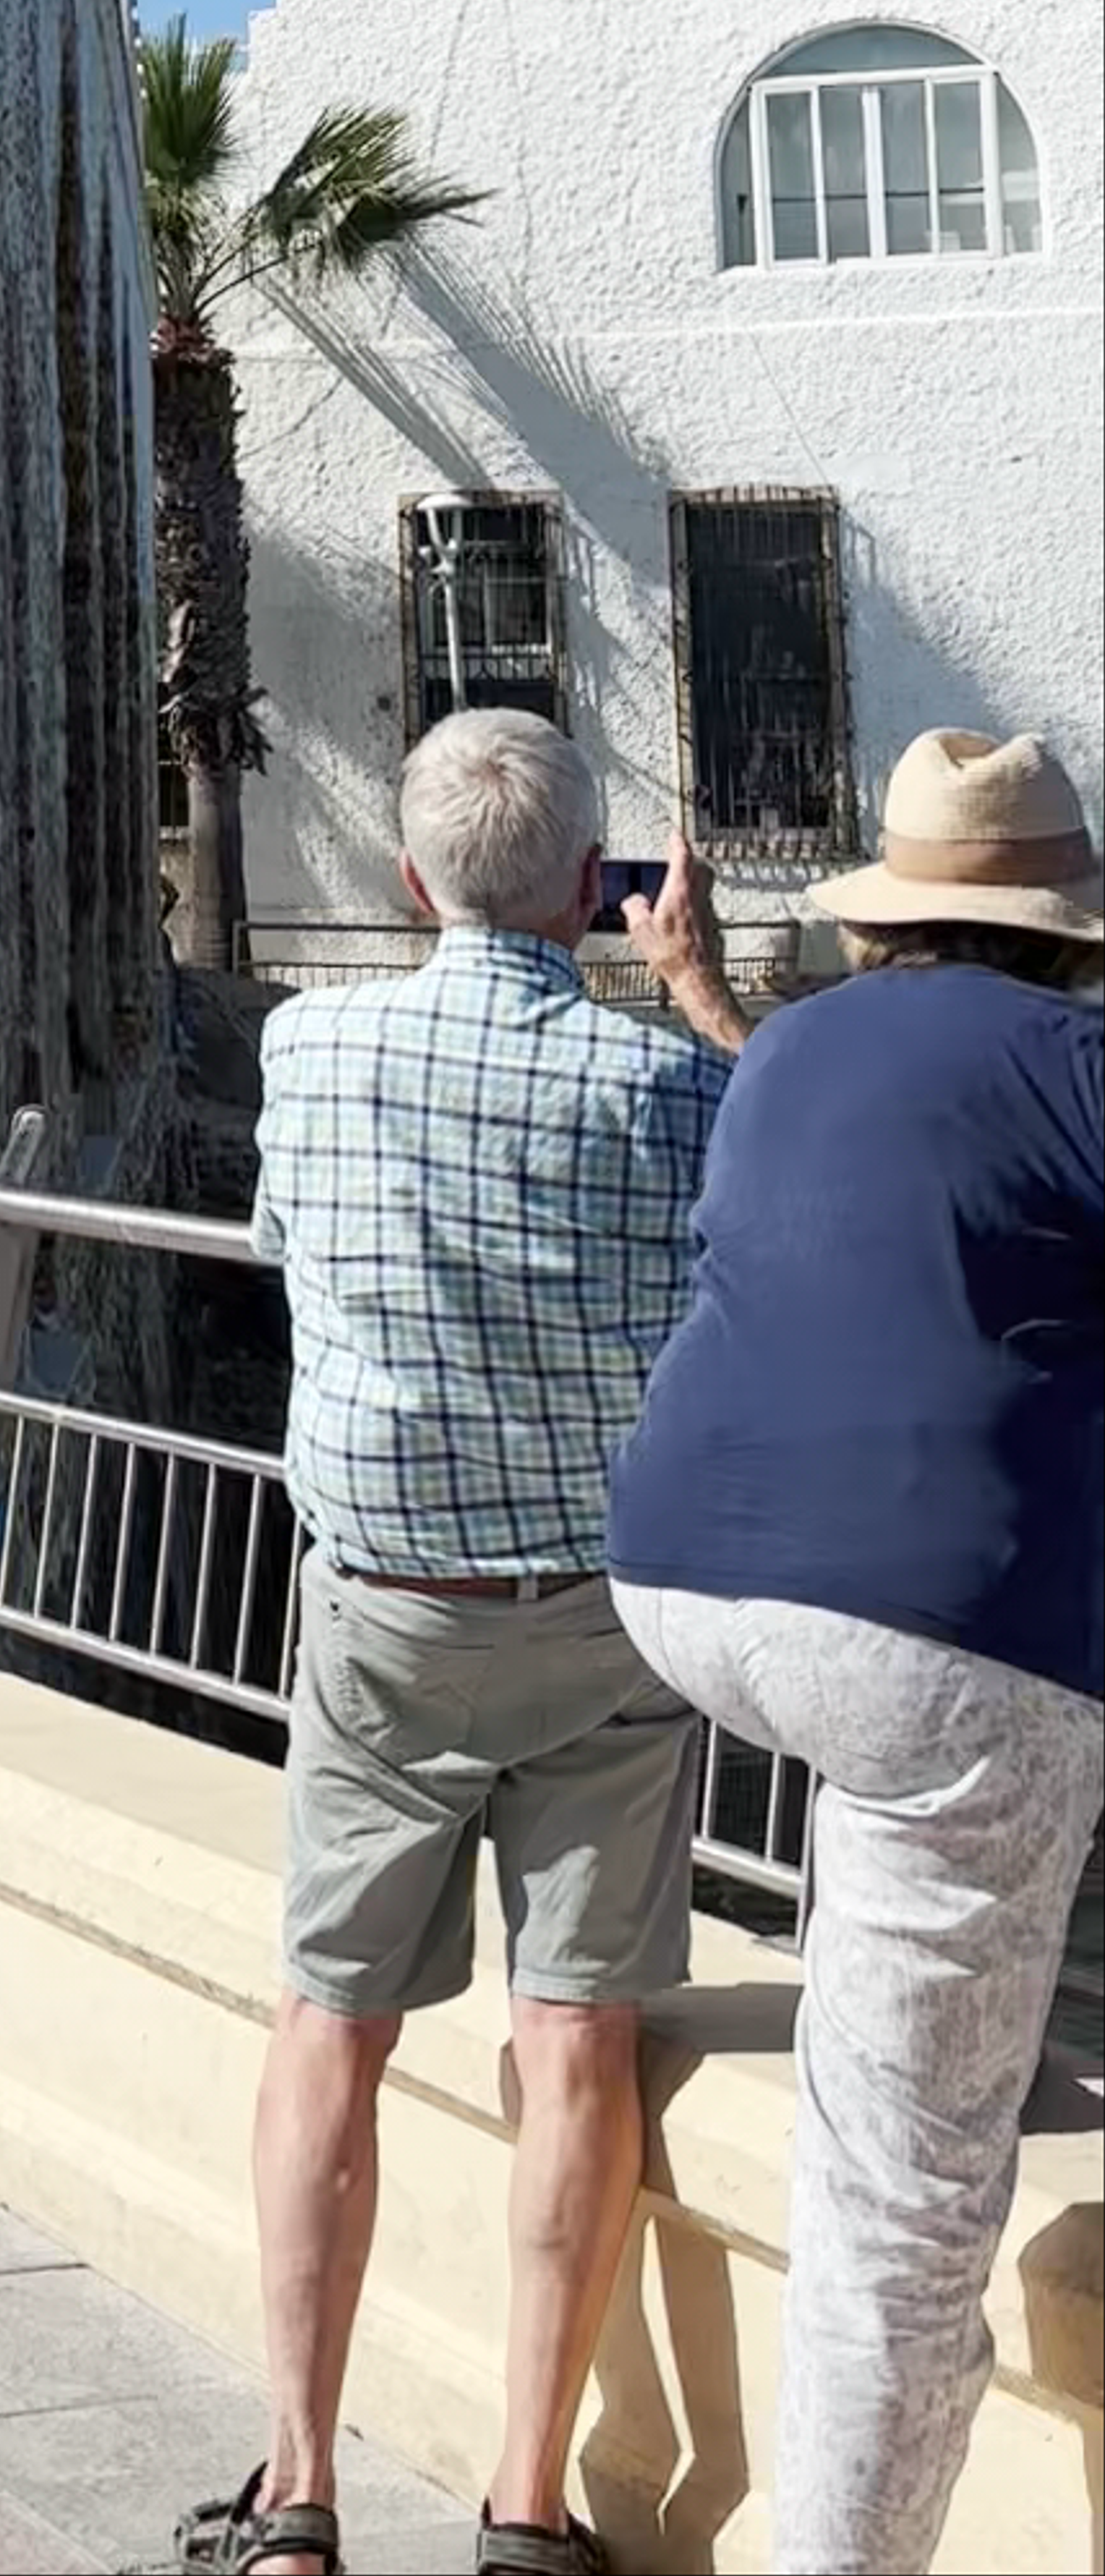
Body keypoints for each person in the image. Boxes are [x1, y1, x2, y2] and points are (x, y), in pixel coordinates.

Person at [169, 707, 748, 2576]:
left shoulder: (312, 1043)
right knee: (575, 2039)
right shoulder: (670, 1085)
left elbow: (284, 1240)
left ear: (411, 881)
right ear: (595, 886)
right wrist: (704, 992)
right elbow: (785, 1234)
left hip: (385, 1617)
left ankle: (298, 2495)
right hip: (601, 1622)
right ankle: (527, 2503)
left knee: (328, 2026)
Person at [608, 726, 1105, 2576]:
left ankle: (924, 2015)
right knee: (903, 2215)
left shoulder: (798, 1042)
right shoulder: (1078, 1061)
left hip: (681, 1570)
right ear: (1065, 922)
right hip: (928, 1628)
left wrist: (701, 988)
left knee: (896, 1894)